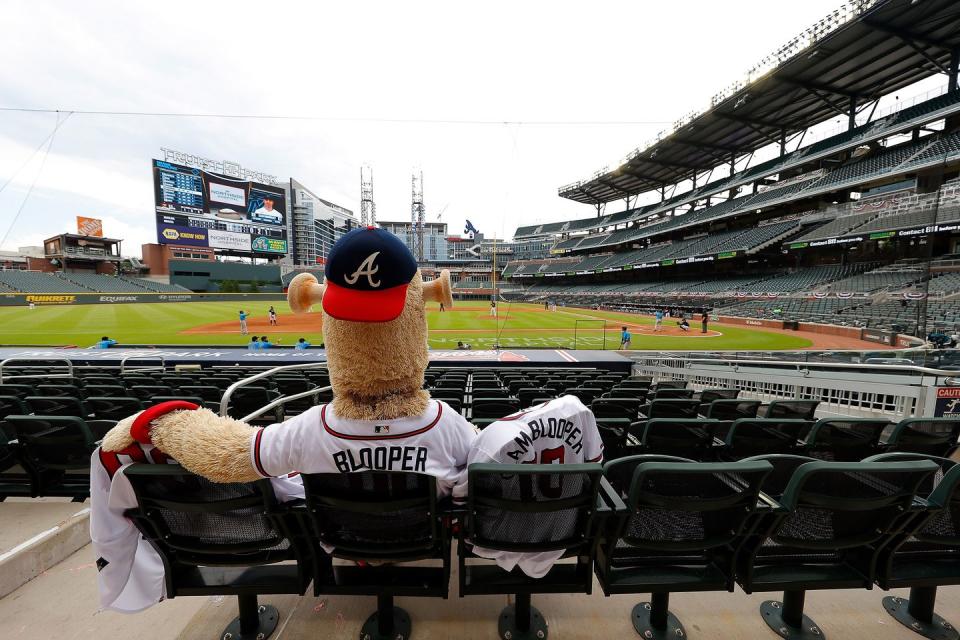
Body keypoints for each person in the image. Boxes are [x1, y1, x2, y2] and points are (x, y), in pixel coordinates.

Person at [465, 395, 603, 578]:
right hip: (566, 531)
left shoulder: (489, 442)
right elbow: (596, 465)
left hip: (498, 538)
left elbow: (465, 497)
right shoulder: (578, 410)